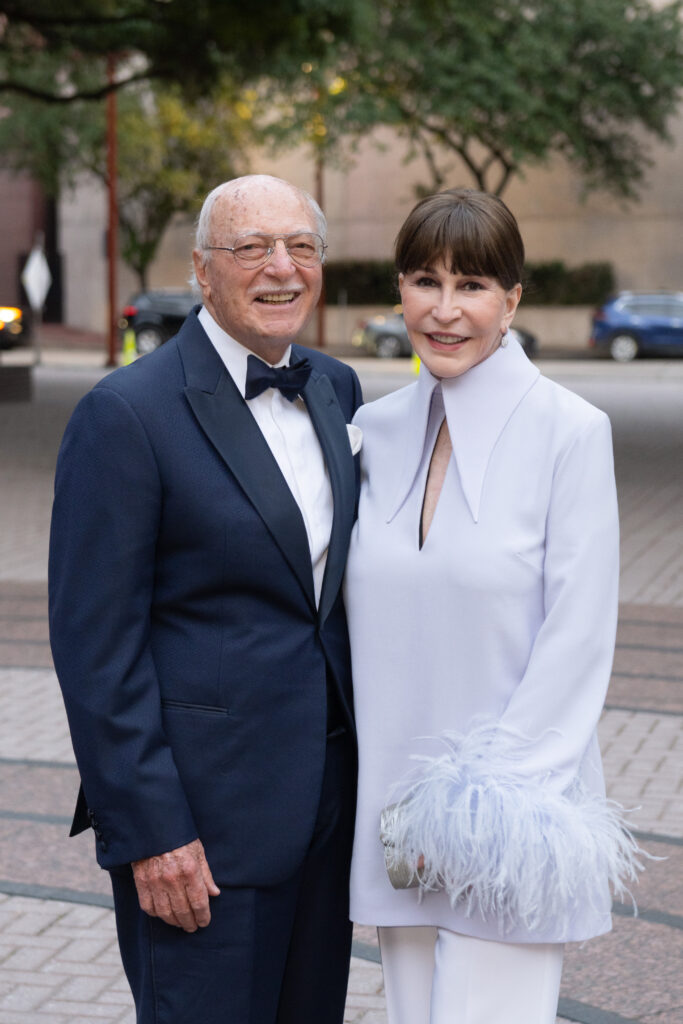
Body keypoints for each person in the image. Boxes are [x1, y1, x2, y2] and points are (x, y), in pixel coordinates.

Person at [49, 174, 363, 1024]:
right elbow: (95, 651)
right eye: (251, 247)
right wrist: (152, 832)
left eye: (300, 246)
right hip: (201, 831)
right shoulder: (125, 414)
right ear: (200, 268)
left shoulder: (335, 388)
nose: (281, 267)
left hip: (326, 814)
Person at [344, 188, 643, 1024]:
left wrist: (479, 810)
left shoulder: (569, 432)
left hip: (510, 819)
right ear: (399, 291)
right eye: (424, 281)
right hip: (394, 813)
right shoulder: (371, 430)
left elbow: (578, 639)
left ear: (511, 301)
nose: (444, 311)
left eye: (470, 285)